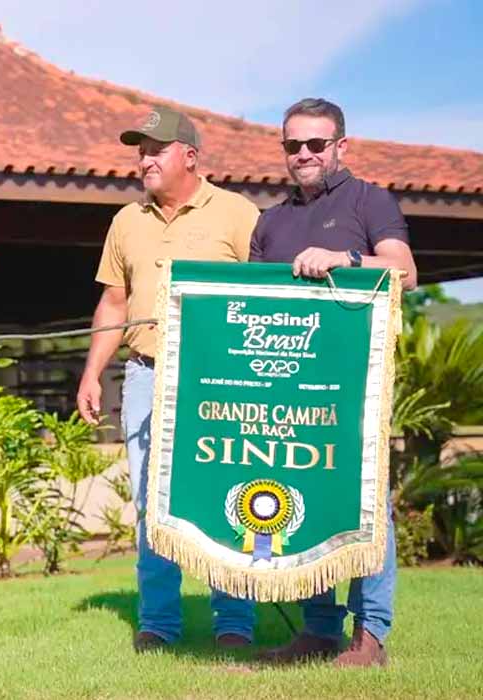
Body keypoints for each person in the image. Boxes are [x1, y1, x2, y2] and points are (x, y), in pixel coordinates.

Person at [76, 104, 261, 652]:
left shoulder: (237, 213)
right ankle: (158, 624)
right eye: (141, 152)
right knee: (150, 503)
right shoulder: (126, 221)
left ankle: (235, 623)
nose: (145, 161)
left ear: (190, 156)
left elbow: (267, 297)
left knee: (230, 496)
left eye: (156, 150)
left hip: (222, 384)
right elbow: (114, 302)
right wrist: (92, 373)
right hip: (144, 377)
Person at [251, 97, 418, 668]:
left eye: (316, 144)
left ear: (340, 146)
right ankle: (319, 630)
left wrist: (344, 257)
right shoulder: (269, 221)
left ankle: (370, 636)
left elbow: (404, 270)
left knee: (366, 502)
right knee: (302, 498)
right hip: (286, 390)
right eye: (293, 144)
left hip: (355, 385)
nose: (303, 153)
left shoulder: (370, 200)